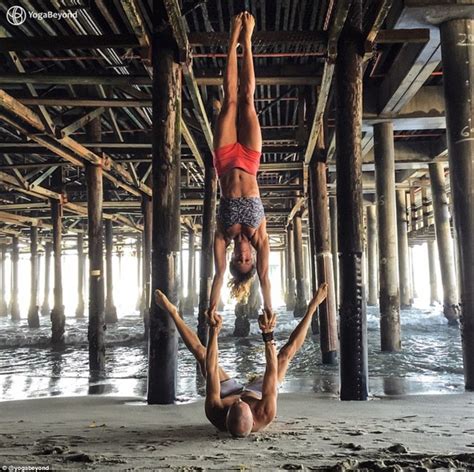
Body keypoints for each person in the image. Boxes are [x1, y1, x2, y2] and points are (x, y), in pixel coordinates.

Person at [154, 283, 329, 437]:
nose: (240, 399)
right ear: (253, 420)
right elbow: (271, 371)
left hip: (226, 393)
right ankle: (313, 307)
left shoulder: (215, 411)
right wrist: (268, 335)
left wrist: (214, 332)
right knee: (285, 354)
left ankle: (173, 313)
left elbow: (212, 368)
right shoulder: (266, 412)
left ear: (227, 415)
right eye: (242, 404)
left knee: (202, 355)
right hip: (259, 393)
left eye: (235, 404)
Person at [210, 12, 270, 311]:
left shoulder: (223, 235)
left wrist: (211, 310)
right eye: (247, 259)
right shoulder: (259, 236)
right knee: (247, 99)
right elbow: (265, 277)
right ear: (253, 258)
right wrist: (269, 311)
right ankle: (247, 40)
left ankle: (233, 38)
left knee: (230, 98)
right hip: (248, 159)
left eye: (239, 259)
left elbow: (219, 276)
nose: (243, 255)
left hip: (223, 160)